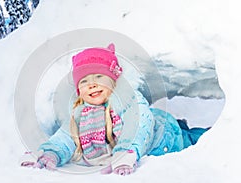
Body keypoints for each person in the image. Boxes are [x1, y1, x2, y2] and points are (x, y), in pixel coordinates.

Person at [20, 43, 209, 176]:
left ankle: (209, 132)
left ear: (113, 80)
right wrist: (51, 153)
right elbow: (67, 137)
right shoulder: (80, 113)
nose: (92, 85)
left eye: (98, 78)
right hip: (156, 125)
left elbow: (139, 124)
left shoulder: (127, 99)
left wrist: (126, 152)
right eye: (84, 81)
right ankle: (182, 124)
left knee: (194, 139)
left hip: (165, 136)